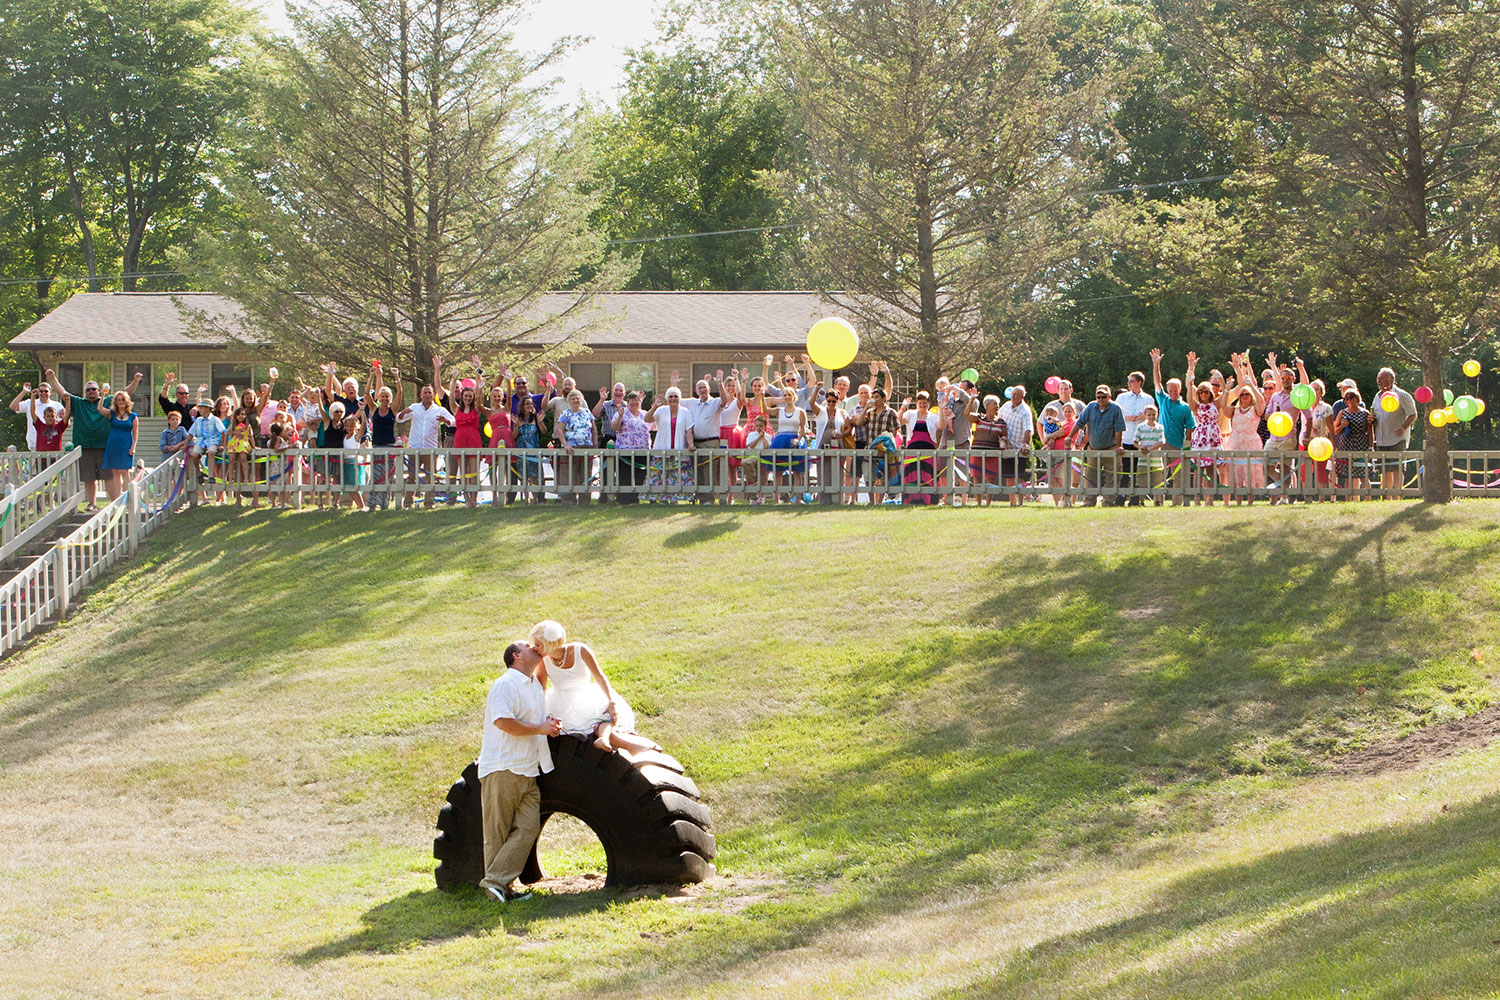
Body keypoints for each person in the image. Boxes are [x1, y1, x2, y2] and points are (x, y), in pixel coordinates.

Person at [476, 640, 560, 905]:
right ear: (516, 656)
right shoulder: (505, 685)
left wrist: (548, 726)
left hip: (528, 770)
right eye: (527, 645)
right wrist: (540, 729)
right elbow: (503, 722)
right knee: (497, 833)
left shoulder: (535, 685)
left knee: (527, 829)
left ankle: (498, 883)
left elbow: (537, 721)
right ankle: (499, 890)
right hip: (503, 768)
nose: (532, 646)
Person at [530, 620, 659, 755]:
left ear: (549, 644)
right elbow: (541, 689)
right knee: (592, 724)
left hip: (586, 694)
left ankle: (604, 739)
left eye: (538, 645)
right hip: (561, 701)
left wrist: (611, 700)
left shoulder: (580, 650)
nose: (534, 648)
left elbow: (599, 677)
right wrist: (542, 714)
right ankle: (629, 745)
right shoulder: (544, 661)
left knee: (604, 714)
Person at [47, 368, 143, 510]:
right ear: (85, 392)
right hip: (84, 446)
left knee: (109, 476)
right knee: (88, 477)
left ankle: (114, 504)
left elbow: (125, 393)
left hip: (105, 446)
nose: (91, 392)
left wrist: (135, 380)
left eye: (94, 389)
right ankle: (91, 503)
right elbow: (63, 393)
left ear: (98, 391)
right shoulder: (79, 403)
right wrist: (52, 378)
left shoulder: (108, 401)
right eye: (88, 390)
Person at [1149, 349, 1196, 505]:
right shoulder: (1163, 400)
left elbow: (1190, 427)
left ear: (1180, 390)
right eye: (1170, 390)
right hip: (1161, 443)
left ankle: (1177, 502)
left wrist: (1187, 446)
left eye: (1175, 390)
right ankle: (1158, 501)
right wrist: (1156, 364)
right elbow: (1157, 382)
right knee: (1160, 473)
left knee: (1179, 475)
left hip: (1177, 444)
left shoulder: (1185, 407)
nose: (1173, 393)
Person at [398, 383, 456, 508]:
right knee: (412, 477)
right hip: (415, 448)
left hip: (430, 449)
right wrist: (402, 413)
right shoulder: (414, 407)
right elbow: (399, 419)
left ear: (433, 395)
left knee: (431, 477)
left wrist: (446, 421)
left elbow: (453, 421)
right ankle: (408, 503)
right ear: (421, 395)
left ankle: (429, 503)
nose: (428, 395)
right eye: (425, 392)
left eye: (430, 392)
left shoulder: (439, 409)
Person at [1070, 385, 1125, 505]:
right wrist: (1070, 437)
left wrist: (1118, 446)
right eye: (1098, 397)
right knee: (1090, 476)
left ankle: (1108, 501)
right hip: (1093, 448)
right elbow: (1080, 423)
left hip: (1111, 448)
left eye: (1103, 397)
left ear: (1109, 397)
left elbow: (1119, 430)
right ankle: (1089, 502)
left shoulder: (1116, 408)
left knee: (1113, 476)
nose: (1100, 399)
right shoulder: (1090, 407)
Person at [1223, 354, 1266, 503]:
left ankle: (1250, 501)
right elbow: (1223, 406)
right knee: (1236, 472)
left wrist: (1252, 386)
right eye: (1242, 395)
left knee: (1251, 472)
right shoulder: (1234, 410)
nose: (1244, 397)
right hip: (1235, 442)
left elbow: (1262, 400)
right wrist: (1227, 389)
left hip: (1251, 442)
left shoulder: (1255, 410)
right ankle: (1238, 500)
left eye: (1247, 395)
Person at [1370, 367, 1416, 498]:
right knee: (1384, 469)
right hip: (1381, 437)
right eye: (1378, 379)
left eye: (1381, 379)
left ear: (1389, 379)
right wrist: (1372, 419)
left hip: (1397, 438)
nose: (1378, 382)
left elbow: (1413, 414)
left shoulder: (1402, 395)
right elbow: (1375, 414)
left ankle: (1397, 495)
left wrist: (1403, 427)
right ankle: (1387, 496)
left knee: (1397, 467)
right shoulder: (1377, 396)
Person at [646, 386, 695, 502]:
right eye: (670, 396)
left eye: (676, 396)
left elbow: (689, 431)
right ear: (667, 398)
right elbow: (647, 419)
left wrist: (690, 444)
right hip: (661, 447)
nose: (673, 399)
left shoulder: (685, 412)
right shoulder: (661, 410)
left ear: (680, 398)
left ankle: (674, 498)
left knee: (676, 474)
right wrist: (655, 407)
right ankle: (660, 498)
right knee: (661, 474)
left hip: (678, 448)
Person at [1115, 371, 1153, 505]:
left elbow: (1153, 417)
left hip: (1141, 440)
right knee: (1124, 470)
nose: (1129, 384)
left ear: (1139, 382)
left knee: (1138, 471)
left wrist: (1146, 417)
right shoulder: (1121, 398)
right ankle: (1121, 498)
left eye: (1131, 381)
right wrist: (1127, 418)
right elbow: (1116, 415)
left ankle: (1136, 499)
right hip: (1125, 438)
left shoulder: (1148, 399)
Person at [449, 375, 486, 508]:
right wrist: (454, 380)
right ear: (462, 396)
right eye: (466, 396)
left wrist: (479, 382)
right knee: (463, 472)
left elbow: (480, 400)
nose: (468, 398)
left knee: (474, 471)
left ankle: (474, 499)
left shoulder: (476, 410)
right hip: (460, 441)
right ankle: (467, 499)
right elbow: (451, 398)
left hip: (474, 440)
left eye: (470, 396)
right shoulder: (456, 409)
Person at [96, 389, 139, 500]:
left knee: (125, 470)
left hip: (126, 444)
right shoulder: (112, 414)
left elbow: (135, 433)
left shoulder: (133, 416)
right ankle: (117, 498)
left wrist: (133, 447)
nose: (121, 402)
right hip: (113, 444)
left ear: (127, 401)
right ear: (115, 402)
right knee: (115, 471)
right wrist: (102, 395)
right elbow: (100, 409)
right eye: (118, 400)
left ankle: (128, 496)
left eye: (123, 400)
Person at [997, 386, 1035, 507]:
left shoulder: (1025, 411)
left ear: (1022, 397)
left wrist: (1025, 444)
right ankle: (1012, 502)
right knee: (1009, 477)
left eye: (1016, 396)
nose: (1013, 397)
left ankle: (1020, 502)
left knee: (1019, 476)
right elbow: (998, 419)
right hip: (1006, 447)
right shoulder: (1006, 406)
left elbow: (1028, 430)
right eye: (1012, 395)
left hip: (1018, 449)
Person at [610, 390, 651, 503]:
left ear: (640, 402)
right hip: (625, 452)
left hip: (642, 451)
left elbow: (654, 426)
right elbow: (614, 426)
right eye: (631, 401)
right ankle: (624, 499)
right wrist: (620, 417)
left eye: (636, 400)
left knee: (640, 476)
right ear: (627, 403)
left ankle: (636, 499)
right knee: (625, 476)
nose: (634, 403)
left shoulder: (645, 414)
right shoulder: (621, 412)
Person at [556, 389, 596, 505]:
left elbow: (593, 429)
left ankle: (585, 501)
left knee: (586, 475)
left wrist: (595, 445)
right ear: (569, 401)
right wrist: (565, 445)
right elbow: (559, 430)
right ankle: (569, 501)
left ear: (581, 400)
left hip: (587, 448)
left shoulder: (587, 412)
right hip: (571, 449)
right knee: (568, 475)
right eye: (573, 398)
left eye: (578, 398)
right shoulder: (565, 413)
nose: (576, 400)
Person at [1333, 388, 1372, 498]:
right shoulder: (1342, 412)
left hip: (1361, 445)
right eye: (1347, 398)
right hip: (1345, 445)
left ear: (1357, 398)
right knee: (1347, 475)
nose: (1349, 400)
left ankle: (1368, 499)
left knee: (1363, 474)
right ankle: (1348, 500)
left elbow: (1370, 431)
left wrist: (1370, 447)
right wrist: (1342, 425)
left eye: (1351, 397)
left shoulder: (1365, 413)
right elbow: (1335, 430)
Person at [968, 394, 1006, 506]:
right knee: (977, 478)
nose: (997, 406)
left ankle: (988, 503)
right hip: (977, 452)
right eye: (995, 404)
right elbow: (966, 414)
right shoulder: (979, 418)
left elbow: (1004, 436)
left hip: (992, 452)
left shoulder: (1001, 422)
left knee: (992, 479)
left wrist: (1004, 440)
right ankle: (979, 503)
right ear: (988, 406)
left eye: (998, 404)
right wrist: (971, 400)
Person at [11, 380, 64, 451]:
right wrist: (24, 392)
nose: (43, 393)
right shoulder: (30, 402)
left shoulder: (57, 405)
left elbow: (65, 422)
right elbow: (13, 406)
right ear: (38, 392)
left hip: (53, 444)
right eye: (41, 391)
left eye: (46, 391)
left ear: (50, 392)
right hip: (34, 443)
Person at [1135, 403, 1167, 504]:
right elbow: (1135, 441)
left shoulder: (1160, 427)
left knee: (1157, 480)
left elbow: (1161, 442)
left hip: (1156, 458)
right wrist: (1141, 448)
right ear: (1145, 415)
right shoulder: (1140, 427)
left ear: (1157, 414)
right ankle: (1141, 501)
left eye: (1153, 414)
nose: (1151, 417)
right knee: (1142, 480)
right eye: (1149, 415)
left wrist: (1150, 449)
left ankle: (1158, 500)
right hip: (1143, 458)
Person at [225, 406, 256, 506]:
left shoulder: (247, 426)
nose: (241, 416)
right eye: (239, 415)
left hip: (243, 443)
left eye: (243, 414)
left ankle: (246, 478)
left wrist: (254, 446)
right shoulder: (233, 425)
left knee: (243, 458)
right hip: (234, 443)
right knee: (231, 459)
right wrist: (225, 444)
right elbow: (226, 433)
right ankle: (230, 479)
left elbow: (251, 436)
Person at [31, 387, 71, 458]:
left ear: (56, 417)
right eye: (48, 416)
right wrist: (33, 397)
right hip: (41, 459)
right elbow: (33, 412)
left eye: (52, 416)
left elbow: (67, 413)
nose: (50, 418)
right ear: (44, 417)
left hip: (55, 459)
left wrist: (67, 401)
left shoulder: (59, 427)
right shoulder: (40, 426)